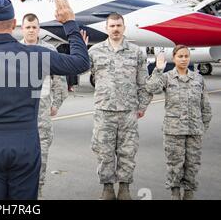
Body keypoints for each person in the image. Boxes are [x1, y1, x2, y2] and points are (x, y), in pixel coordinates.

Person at [0, 0, 90, 200]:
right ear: (15, 24)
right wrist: (69, 23)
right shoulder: (36, 55)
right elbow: (80, 62)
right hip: (26, 143)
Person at [89, 13, 152, 200]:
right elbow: (79, 69)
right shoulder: (95, 51)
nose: (115, 29)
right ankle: (107, 188)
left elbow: (143, 83)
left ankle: (124, 188)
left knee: (127, 151)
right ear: (106, 28)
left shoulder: (136, 52)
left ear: (124, 27)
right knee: (104, 151)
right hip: (104, 111)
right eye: (112, 26)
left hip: (128, 111)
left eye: (118, 25)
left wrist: (142, 106)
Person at [146, 46, 211, 200]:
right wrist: (158, 69)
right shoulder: (167, 77)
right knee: (175, 164)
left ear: (189, 58)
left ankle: (189, 193)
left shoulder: (198, 79)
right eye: (180, 56)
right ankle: (175, 193)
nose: (183, 59)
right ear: (174, 58)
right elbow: (151, 88)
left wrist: (202, 127)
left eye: (186, 56)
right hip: (173, 131)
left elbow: (205, 107)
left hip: (194, 131)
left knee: (193, 164)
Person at [20, 13, 69, 198]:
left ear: (38, 29)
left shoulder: (49, 51)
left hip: (41, 117)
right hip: (17, 117)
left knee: (40, 159)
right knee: (18, 160)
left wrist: (56, 104)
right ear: (22, 28)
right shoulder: (13, 50)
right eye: (28, 27)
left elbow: (60, 80)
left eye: (34, 27)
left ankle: (37, 194)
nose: (31, 30)